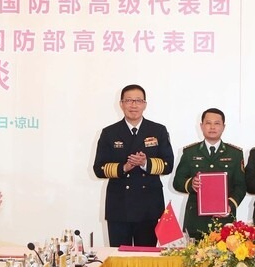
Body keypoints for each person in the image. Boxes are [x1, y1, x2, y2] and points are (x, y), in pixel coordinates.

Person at [93, 84, 174, 246]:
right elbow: (99, 168)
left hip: (149, 207)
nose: (133, 105)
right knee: (119, 259)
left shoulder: (158, 130)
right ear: (121, 104)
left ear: (145, 104)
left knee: (146, 260)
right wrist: (123, 168)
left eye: (138, 100)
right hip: (119, 206)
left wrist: (145, 163)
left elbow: (168, 164)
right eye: (129, 100)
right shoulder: (109, 132)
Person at [173, 108, 246, 239]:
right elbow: (177, 182)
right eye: (208, 123)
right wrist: (191, 184)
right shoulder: (190, 152)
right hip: (196, 220)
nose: (212, 127)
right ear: (201, 126)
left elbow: (241, 186)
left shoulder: (235, 154)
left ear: (223, 127)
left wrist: (229, 205)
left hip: (225, 221)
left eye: (217, 123)